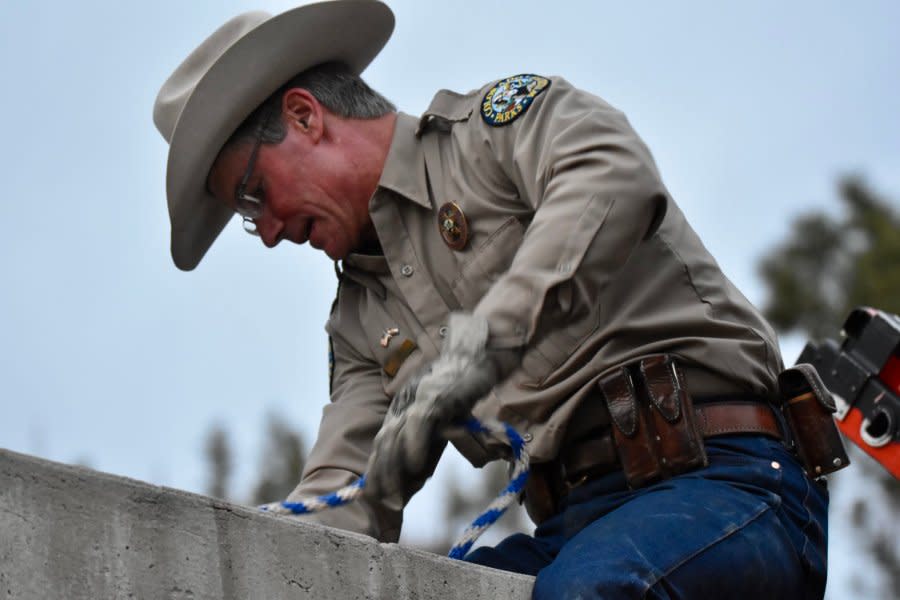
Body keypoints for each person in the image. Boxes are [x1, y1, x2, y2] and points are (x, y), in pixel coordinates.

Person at [153, 2, 830, 598]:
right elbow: (345, 504)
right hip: (576, 527)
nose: (267, 233)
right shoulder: (360, 324)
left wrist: (485, 344)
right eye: (248, 218)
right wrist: (255, 547)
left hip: (731, 482)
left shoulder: (497, 135)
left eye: (253, 196)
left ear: (304, 117)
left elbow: (613, 176)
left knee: (586, 591)